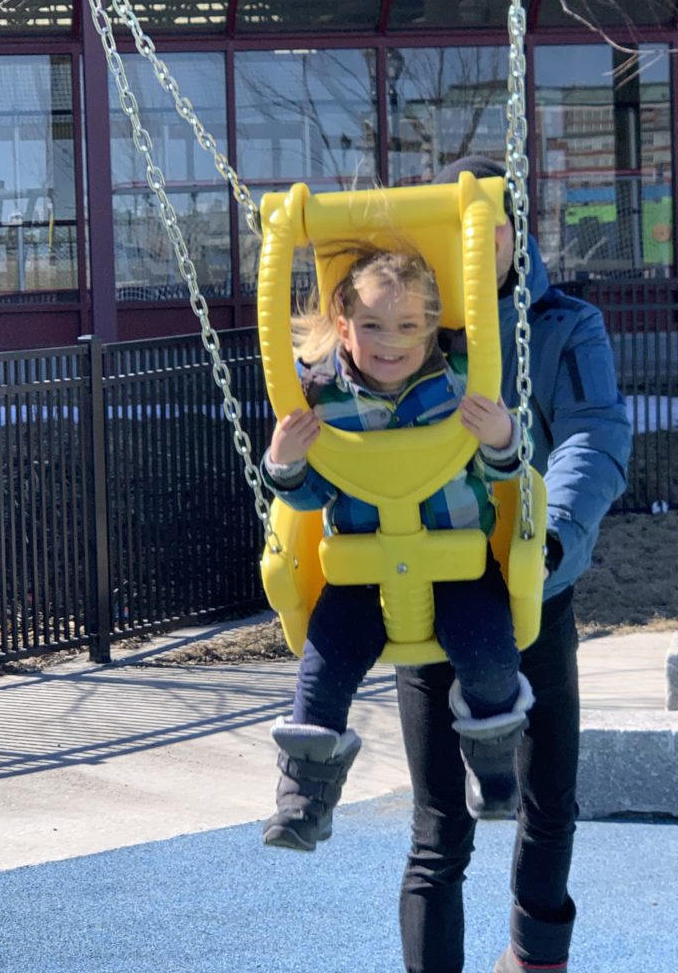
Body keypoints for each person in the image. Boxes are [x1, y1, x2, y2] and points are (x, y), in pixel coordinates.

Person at [395, 157, 632, 973]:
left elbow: (592, 434)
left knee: (547, 798)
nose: (473, 240)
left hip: (532, 589)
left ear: (516, 231)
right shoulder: (409, 330)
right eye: (456, 226)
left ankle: (534, 960)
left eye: (489, 225)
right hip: (429, 588)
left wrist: (551, 536)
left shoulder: (561, 325)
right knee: (439, 823)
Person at [261, 244, 535, 853]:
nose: (392, 341)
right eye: (373, 325)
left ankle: (494, 770)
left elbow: (504, 470)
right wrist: (285, 462)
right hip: (362, 570)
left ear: (432, 327)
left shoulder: (461, 382)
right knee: (323, 667)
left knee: (490, 654)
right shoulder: (321, 398)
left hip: (456, 560)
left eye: (409, 325)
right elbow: (309, 498)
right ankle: (304, 798)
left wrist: (501, 436)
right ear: (343, 327)